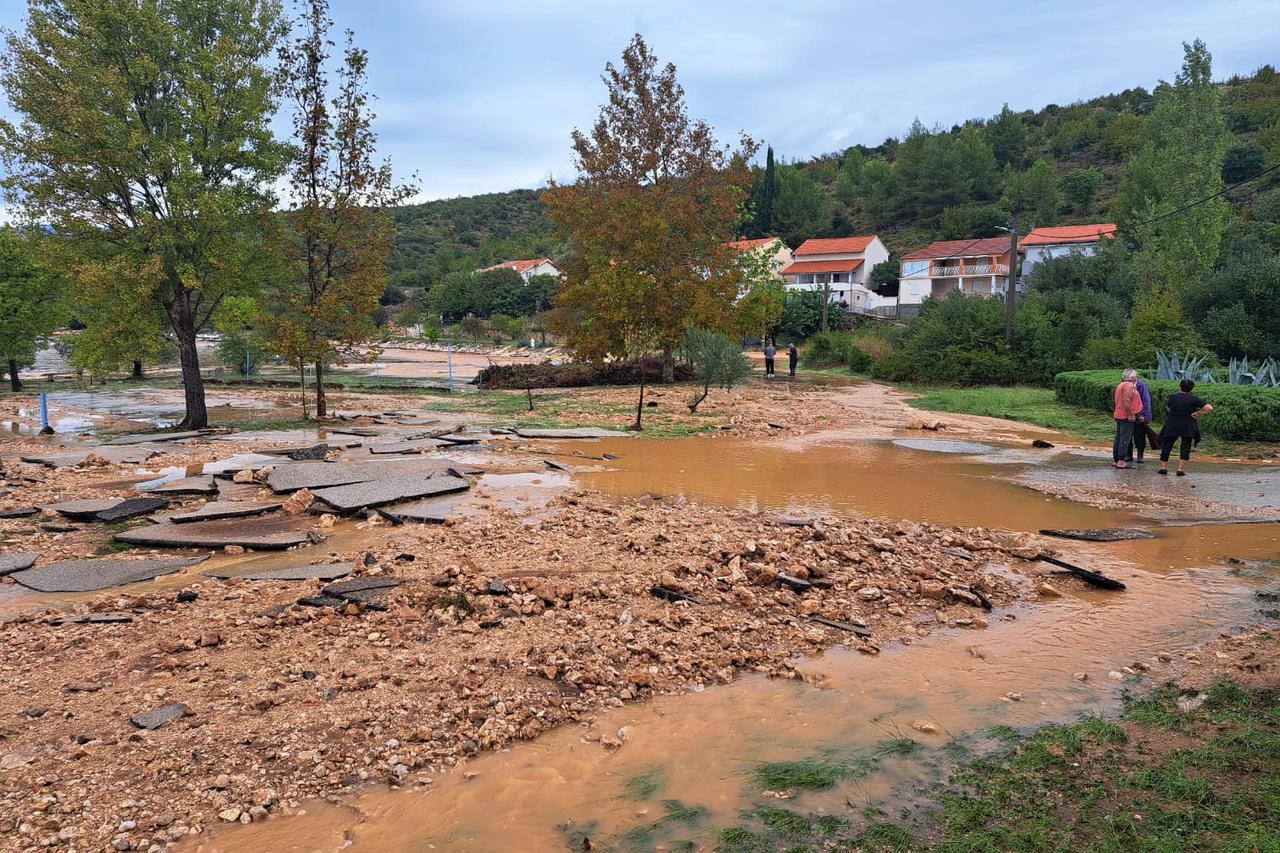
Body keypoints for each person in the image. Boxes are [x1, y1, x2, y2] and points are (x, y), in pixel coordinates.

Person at [1158, 379, 1214, 477]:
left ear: (1179, 387)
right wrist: (1198, 413)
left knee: (1167, 446)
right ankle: (1180, 469)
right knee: (1185, 447)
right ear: (1191, 389)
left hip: (1172, 424)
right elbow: (1209, 408)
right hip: (1187, 424)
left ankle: (1163, 468)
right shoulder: (1194, 399)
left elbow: (1168, 408)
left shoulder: (1172, 397)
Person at [1112, 368, 1142, 469]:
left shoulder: (1121, 385)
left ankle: (1117, 459)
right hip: (1125, 416)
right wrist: (1131, 414)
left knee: (1119, 437)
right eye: (1136, 376)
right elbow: (1126, 401)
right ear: (1132, 377)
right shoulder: (1129, 385)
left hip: (1119, 414)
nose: (1137, 378)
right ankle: (1121, 461)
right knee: (1125, 438)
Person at [1132, 372, 1154, 462]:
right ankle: (1128, 455)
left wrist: (1144, 415)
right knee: (1128, 436)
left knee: (1140, 435)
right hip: (1129, 414)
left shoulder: (1141, 385)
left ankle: (1140, 455)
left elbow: (1146, 401)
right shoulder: (1126, 385)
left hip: (1139, 415)